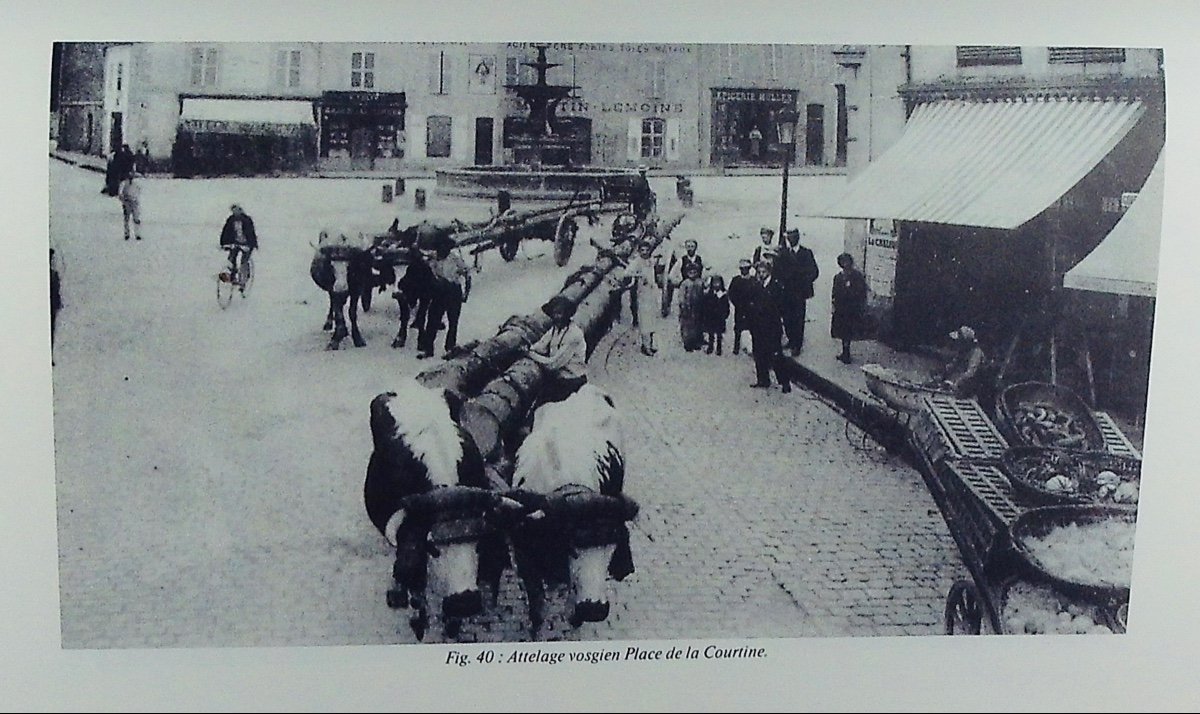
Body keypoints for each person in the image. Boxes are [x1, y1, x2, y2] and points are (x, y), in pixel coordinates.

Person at [528, 295, 589, 405]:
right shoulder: (555, 329)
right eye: (554, 313)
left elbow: (553, 364)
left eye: (559, 313)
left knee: (540, 408)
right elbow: (541, 345)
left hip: (572, 381)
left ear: (567, 314)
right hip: (558, 379)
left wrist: (529, 354)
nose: (556, 316)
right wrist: (530, 348)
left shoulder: (574, 334)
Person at [418, 235, 471, 359]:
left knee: (453, 322)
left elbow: (467, 274)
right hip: (439, 292)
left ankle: (450, 348)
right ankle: (428, 349)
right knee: (432, 321)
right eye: (439, 248)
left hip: (453, 291)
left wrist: (466, 292)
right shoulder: (433, 260)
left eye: (444, 248)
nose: (441, 250)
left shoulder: (455, 260)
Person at [748, 259, 791, 392]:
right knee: (759, 353)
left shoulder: (776, 286)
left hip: (772, 326)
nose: (761, 274)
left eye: (763, 272)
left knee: (776, 355)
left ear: (769, 272)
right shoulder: (755, 285)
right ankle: (763, 379)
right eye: (759, 272)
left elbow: (781, 306)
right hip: (758, 326)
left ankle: (784, 383)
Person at [775, 228, 820, 352]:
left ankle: (797, 345)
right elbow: (777, 271)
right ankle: (791, 339)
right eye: (789, 237)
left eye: (793, 237)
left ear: (798, 238)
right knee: (787, 318)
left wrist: (804, 281)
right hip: (786, 292)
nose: (791, 239)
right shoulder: (784, 254)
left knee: (798, 319)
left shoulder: (806, 253)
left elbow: (814, 272)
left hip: (800, 293)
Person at [619, 240, 659, 355]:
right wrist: (639, 275)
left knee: (651, 319)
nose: (645, 252)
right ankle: (645, 347)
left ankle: (650, 344)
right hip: (642, 294)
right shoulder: (637, 261)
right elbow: (626, 273)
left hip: (651, 293)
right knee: (644, 319)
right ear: (639, 251)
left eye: (647, 250)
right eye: (642, 250)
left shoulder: (651, 261)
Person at [831, 252, 868, 364]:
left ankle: (846, 353)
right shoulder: (838, 277)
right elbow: (834, 293)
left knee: (848, 331)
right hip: (841, 309)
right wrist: (833, 305)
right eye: (843, 263)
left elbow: (861, 292)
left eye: (847, 262)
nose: (845, 265)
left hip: (852, 308)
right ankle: (844, 352)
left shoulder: (857, 276)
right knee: (843, 331)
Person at [933, 325, 989, 399]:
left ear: (965, 342)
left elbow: (970, 373)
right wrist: (942, 374)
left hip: (973, 390)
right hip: (963, 385)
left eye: (960, 341)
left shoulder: (976, 353)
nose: (957, 343)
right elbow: (954, 364)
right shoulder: (963, 351)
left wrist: (956, 382)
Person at [219, 204, 258, 283]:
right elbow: (226, 231)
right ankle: (231, 275)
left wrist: (252, 244)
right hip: (236, 243)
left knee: (244, 261)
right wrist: (224, 243)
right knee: (231, 259)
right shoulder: (231, 220)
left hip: (246, 244)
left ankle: (243, 279)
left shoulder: (247, 220)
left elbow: (251, 233)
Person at [727, 258, 757, 356]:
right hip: (740, 307)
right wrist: (736, 303)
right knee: (738, 327)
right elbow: (731, 293)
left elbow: (757, 293)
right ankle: (736, 346)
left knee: (752, 326)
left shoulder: (753, 280)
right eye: (742, 268)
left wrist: (753, 303)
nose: (744, 270)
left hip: (751, 308)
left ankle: (752, 346)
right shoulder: (736, 280)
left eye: (746, 268)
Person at [677, 262, 705, 352]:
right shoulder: (685, 283)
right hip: (687, 307)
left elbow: (703, 293)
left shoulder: (700, 282)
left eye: (694, 272)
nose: (692, 274)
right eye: (690, 272)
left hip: (698, 306)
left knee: (697, 325)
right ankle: (688, 343)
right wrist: (682, 305)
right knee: (687, 326)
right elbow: (681, 295)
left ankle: (696, 341)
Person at [701, 274, 730, 355]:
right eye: (714, 283)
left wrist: (725, 314)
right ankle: (710, 347)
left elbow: (726, 306)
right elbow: (705, 305)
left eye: (718, 283)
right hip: (711, 317)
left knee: (719, 334)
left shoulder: (723, 295)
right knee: (711, 333)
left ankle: (719, 348)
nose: (716, 285)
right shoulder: (709, 294)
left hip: (720, 317)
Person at [118, 170, 143, 241]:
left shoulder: (136, 184)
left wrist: (136, 200)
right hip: (127, 202)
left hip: (135, 202)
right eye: (129, 176)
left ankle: (138, 234)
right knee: (126, 219)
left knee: (136, 219)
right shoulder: (123, 183)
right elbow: (120, 194)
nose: (131, 177)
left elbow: (139, 192)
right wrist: (124, 200)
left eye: (132, 176)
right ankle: (126, 234)